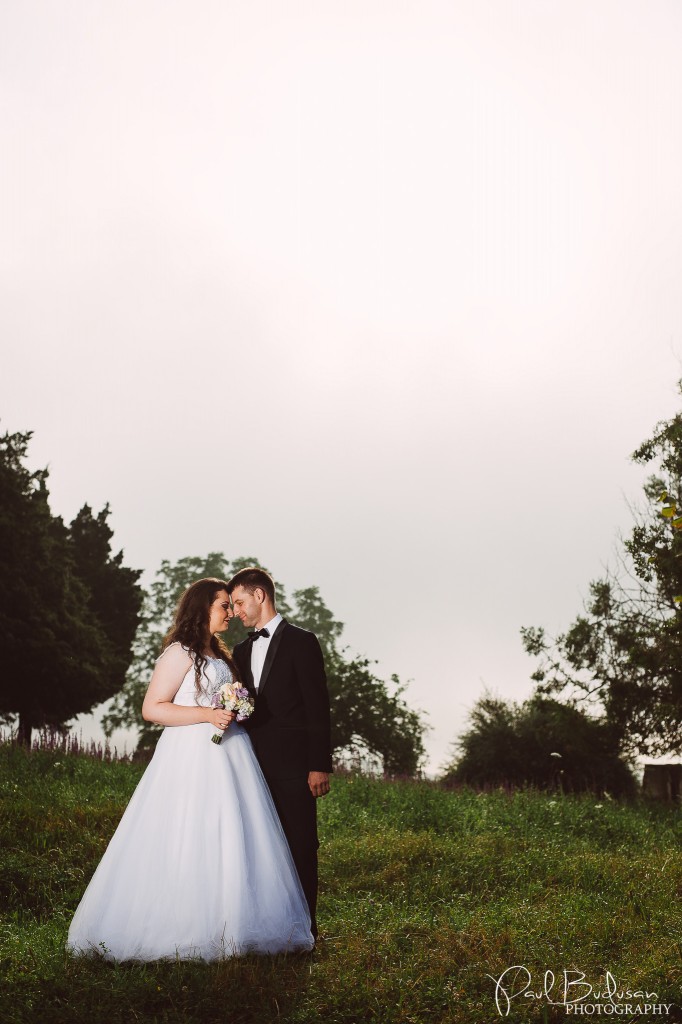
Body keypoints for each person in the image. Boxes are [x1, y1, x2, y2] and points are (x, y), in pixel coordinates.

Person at [66, 578, 314, 961]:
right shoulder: (178, 653)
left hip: (232, 755)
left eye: (232, 606)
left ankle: (236, 923)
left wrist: (237, 711)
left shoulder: (222, 656)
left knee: (234, 834)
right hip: (190, 758)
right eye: (223, 606)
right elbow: (153, 708)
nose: (230, 613)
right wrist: (207, 714)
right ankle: (182, 926)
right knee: (188, 831)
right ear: (201, 609)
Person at [227, 566, 332, 939]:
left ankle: (306, 929)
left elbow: (317, 706)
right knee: (259, 847)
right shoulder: (239, 650)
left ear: (260, 596)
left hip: (295, 767)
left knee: (301, 844)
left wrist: (319, 765)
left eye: (239, 602)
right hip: (250, 764)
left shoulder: (303, 642)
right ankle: (266, 928)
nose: (235, 611)